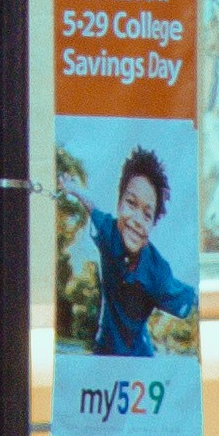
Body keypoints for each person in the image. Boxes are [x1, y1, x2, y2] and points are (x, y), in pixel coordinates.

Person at [74, 141, 196, 358]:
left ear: (152, 225)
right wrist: (71, 188)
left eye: (147, 215)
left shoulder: (157, 271)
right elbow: (92, 207)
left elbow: (191, 301)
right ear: (119, 203)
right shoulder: (109, 232)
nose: (137, 220)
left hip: (138, 360)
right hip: (104, 351)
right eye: (131, 203)